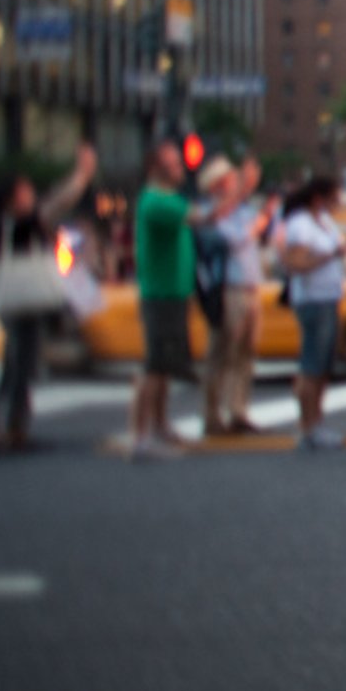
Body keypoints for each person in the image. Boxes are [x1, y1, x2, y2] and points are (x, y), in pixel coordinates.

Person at [0, 143, 96, 454]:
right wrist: (81, 174)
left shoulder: (4, 227)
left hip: (15, 300)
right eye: (24, 190)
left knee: (18, 363)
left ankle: (12, 425)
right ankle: (8, 427)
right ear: (11, 199)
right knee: (19, 364)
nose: (30, 193)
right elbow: (57, 203)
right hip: (25, 300)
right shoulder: (21, 224)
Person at [130, 141, 201, 459]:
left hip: (173, 292)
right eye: (173, 164)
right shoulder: (156, 202)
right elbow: (205, 217)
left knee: (165, 367)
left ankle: (161, 425)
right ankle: (141, 436)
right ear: (156, 169)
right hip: (160, 294)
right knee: (154, 367)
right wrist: (239, 191)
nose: (181, 168)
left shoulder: (167, 199)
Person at [279, 174, 346, 451]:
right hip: (312, 299)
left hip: (329, 297)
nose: (339, 201)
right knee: (312, 364)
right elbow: (296, 263)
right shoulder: (300, 224)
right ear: (319, 197)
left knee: (322, 366)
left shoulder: (324, 222)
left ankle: (316, 422)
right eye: (334, 196)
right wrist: (332, 253)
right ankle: (308, 425)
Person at [200, 155, 269, 438]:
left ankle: (238, 410)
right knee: (222, 354)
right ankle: (212, 414)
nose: (235, 185)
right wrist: (255, 228)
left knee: (245, 353)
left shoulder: (241, 211)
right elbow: (233, 241)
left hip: (250, 288)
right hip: (229, 288)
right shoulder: (209, 215)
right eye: (229, 180)